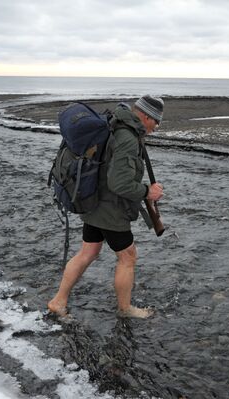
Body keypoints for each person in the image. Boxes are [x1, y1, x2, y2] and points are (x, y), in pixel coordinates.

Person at [48, 95, 165, 319]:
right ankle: (125, 309)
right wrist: (146, 192)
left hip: (92, 201)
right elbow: (119, 183)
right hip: (110, 208)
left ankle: (58, 301)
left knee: (87, 252)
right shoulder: (128, 137)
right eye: (156, 122)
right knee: (128, 257)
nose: (156, 127)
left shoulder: (116, 122)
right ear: (146, 116)